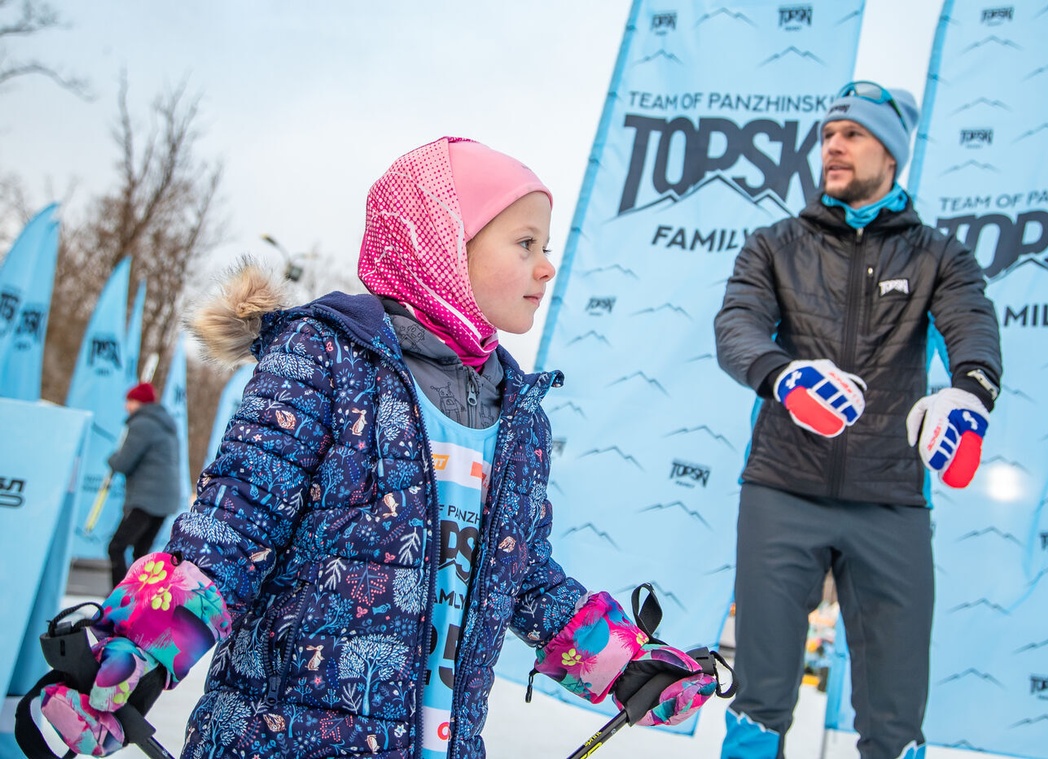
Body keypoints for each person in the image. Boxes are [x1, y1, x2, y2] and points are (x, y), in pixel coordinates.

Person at [39, 136, 724, 759]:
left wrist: (625, 663)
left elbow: (524, 576)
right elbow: (231, 528)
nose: (546, 267)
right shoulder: (327, 358)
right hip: (281, 741)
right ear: (443, 242)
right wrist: (126, 655)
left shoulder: (518, 417)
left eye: (547, 246)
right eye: (524, 243)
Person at [714, 81, 1002, 759]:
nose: (833, 145)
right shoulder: (774, 244)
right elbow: (738, 326)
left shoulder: (939, 255)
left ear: (892, 154)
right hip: (782, 488)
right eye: (828, 134)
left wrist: (971, 393)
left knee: (895, 721)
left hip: (892, 499)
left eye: (853, 134)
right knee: (759, 701)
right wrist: (782, 373)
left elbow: (973, 328)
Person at [106, 381, 182, 587]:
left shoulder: (142, 425)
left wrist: (111, 458)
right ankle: (139, 600)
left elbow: (123, 463)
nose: (126, 406)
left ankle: (120, 598)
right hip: (165, 499)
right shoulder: (165, 424)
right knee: (142, 553)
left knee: (116, 547)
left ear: (139, 403)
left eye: (130, 401)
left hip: (147, 499)